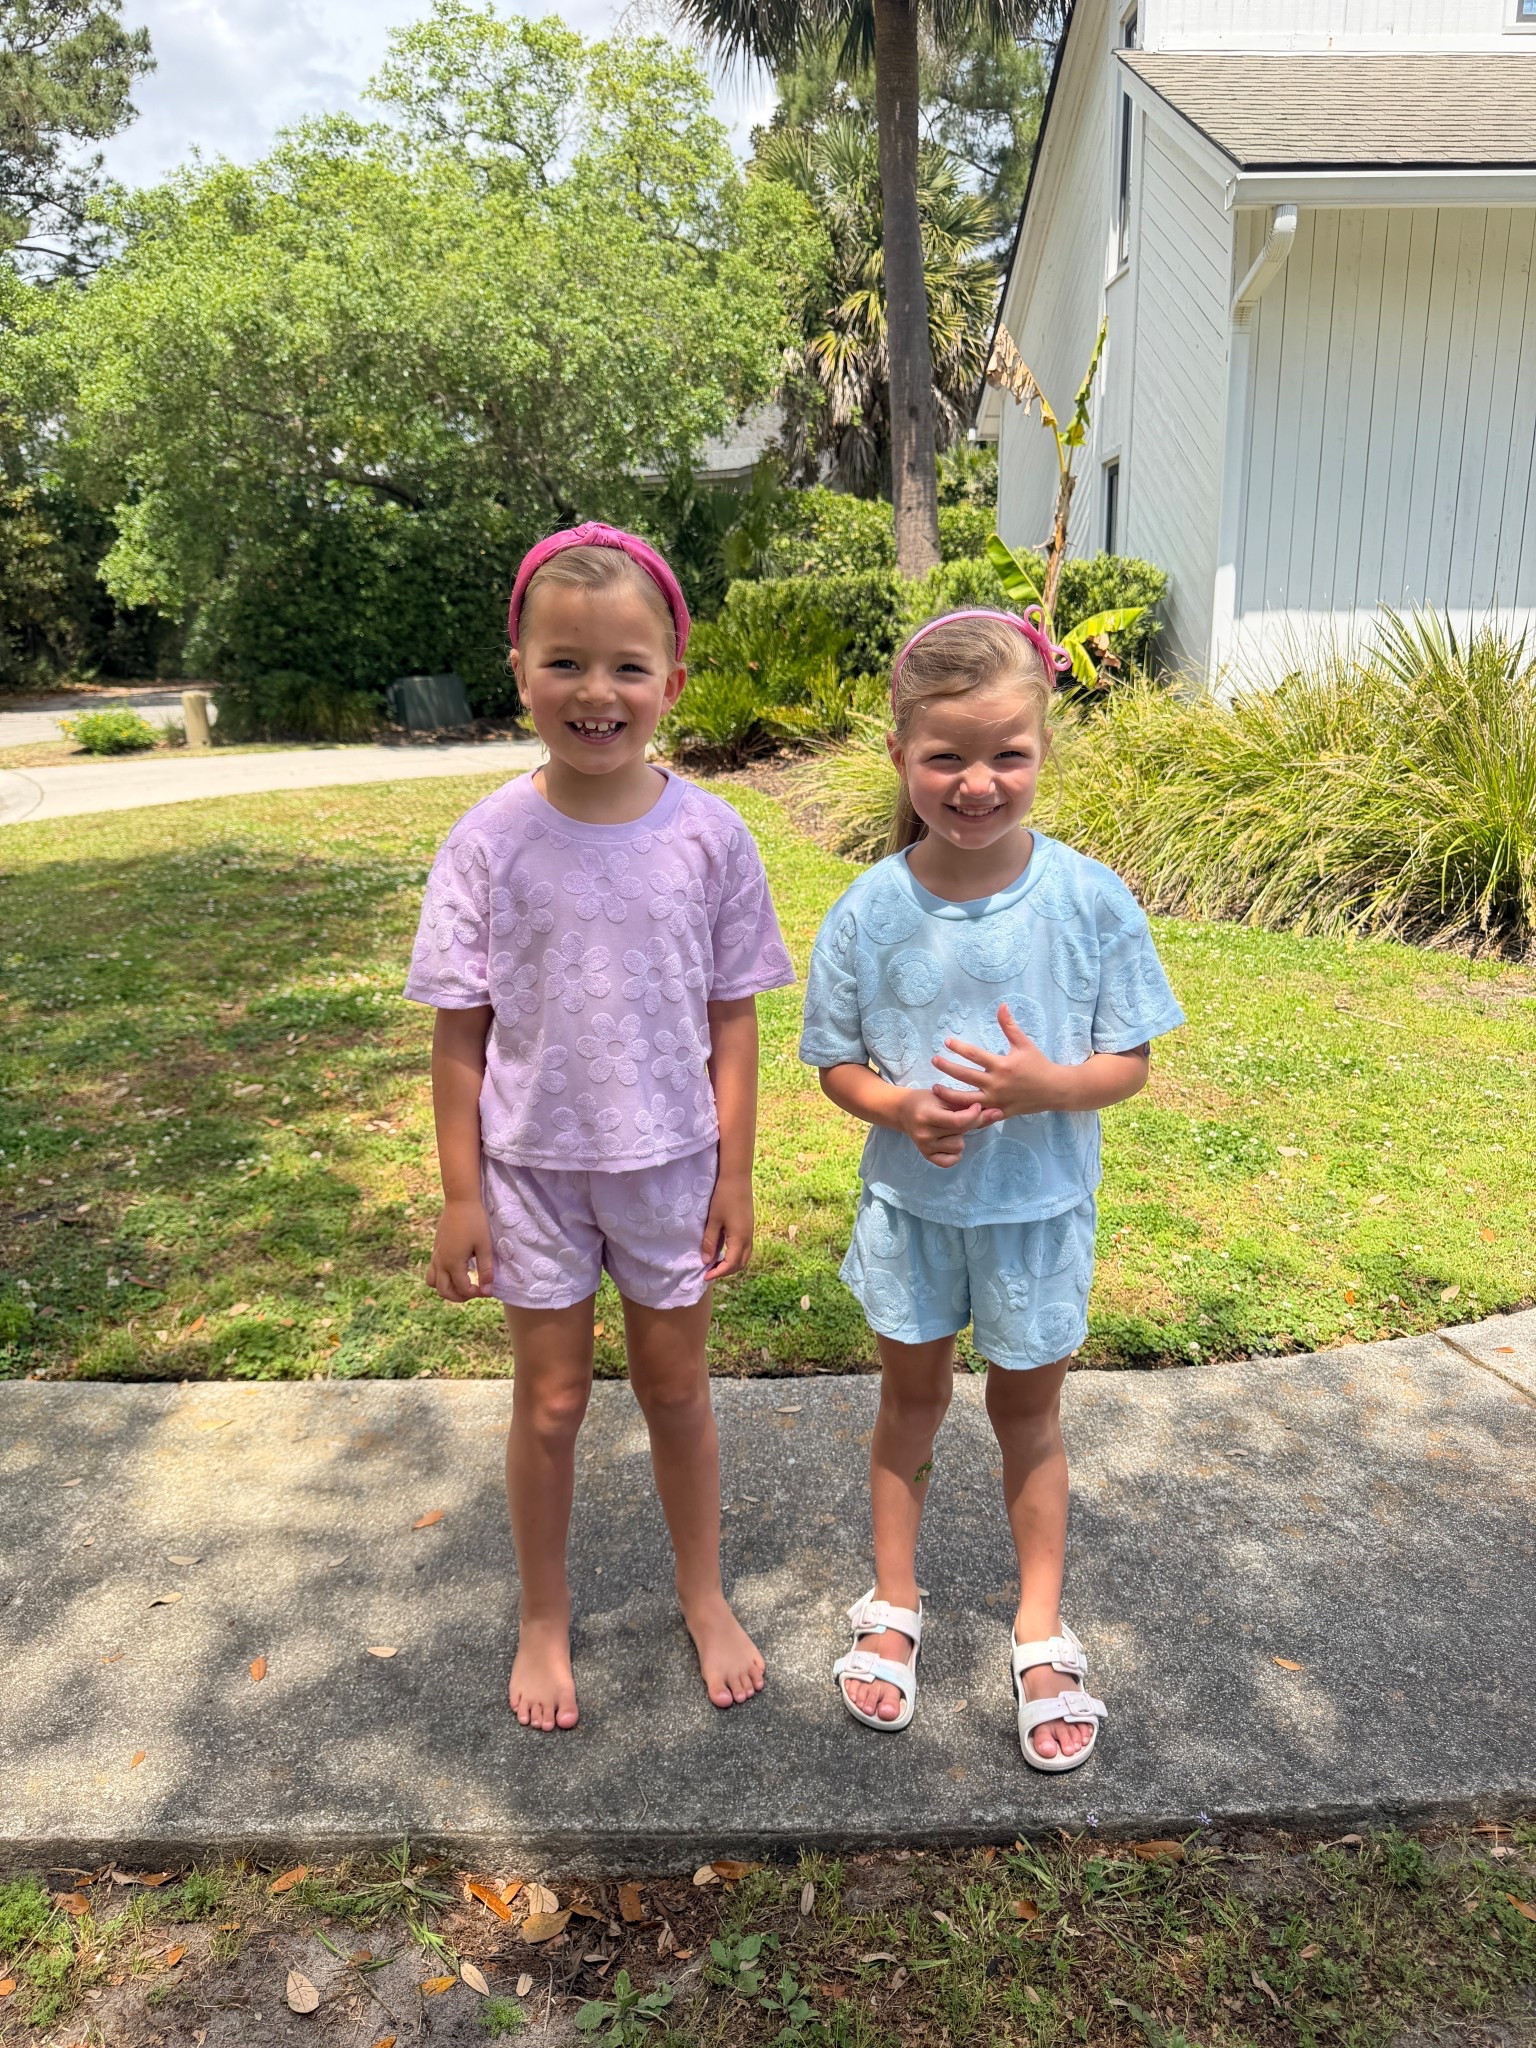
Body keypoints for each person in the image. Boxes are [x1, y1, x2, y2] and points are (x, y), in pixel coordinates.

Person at [406, 522, 794, 1731]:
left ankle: (703, 1591)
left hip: (672, 1164)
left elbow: (733, 1019)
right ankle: (543, 1612)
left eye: (628, 665)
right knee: (552, 1401)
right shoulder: (486, 841)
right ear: (519, 671)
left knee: (677, 1390)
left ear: (672, 680)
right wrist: (461, 1193)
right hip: (529, 1173)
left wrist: (737, 1170)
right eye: (565, 661)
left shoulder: (712, 836)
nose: (597, 690)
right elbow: (459, 1033)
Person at [799, 608, 1183, 1771]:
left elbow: (1129, 1060)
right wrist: (899, 1109)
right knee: (909, 1404)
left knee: (1028, 1415)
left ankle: (1039, 1624)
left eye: (1008, 752)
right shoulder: (867, 911)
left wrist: (1049, 1084)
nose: (977, 782)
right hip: (912, 1214)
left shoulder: (1091, 899)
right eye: (945, 756)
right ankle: (894, 1599)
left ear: (1044, 748)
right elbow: (838, 1065)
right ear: (899, 755)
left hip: (1036, 1219)